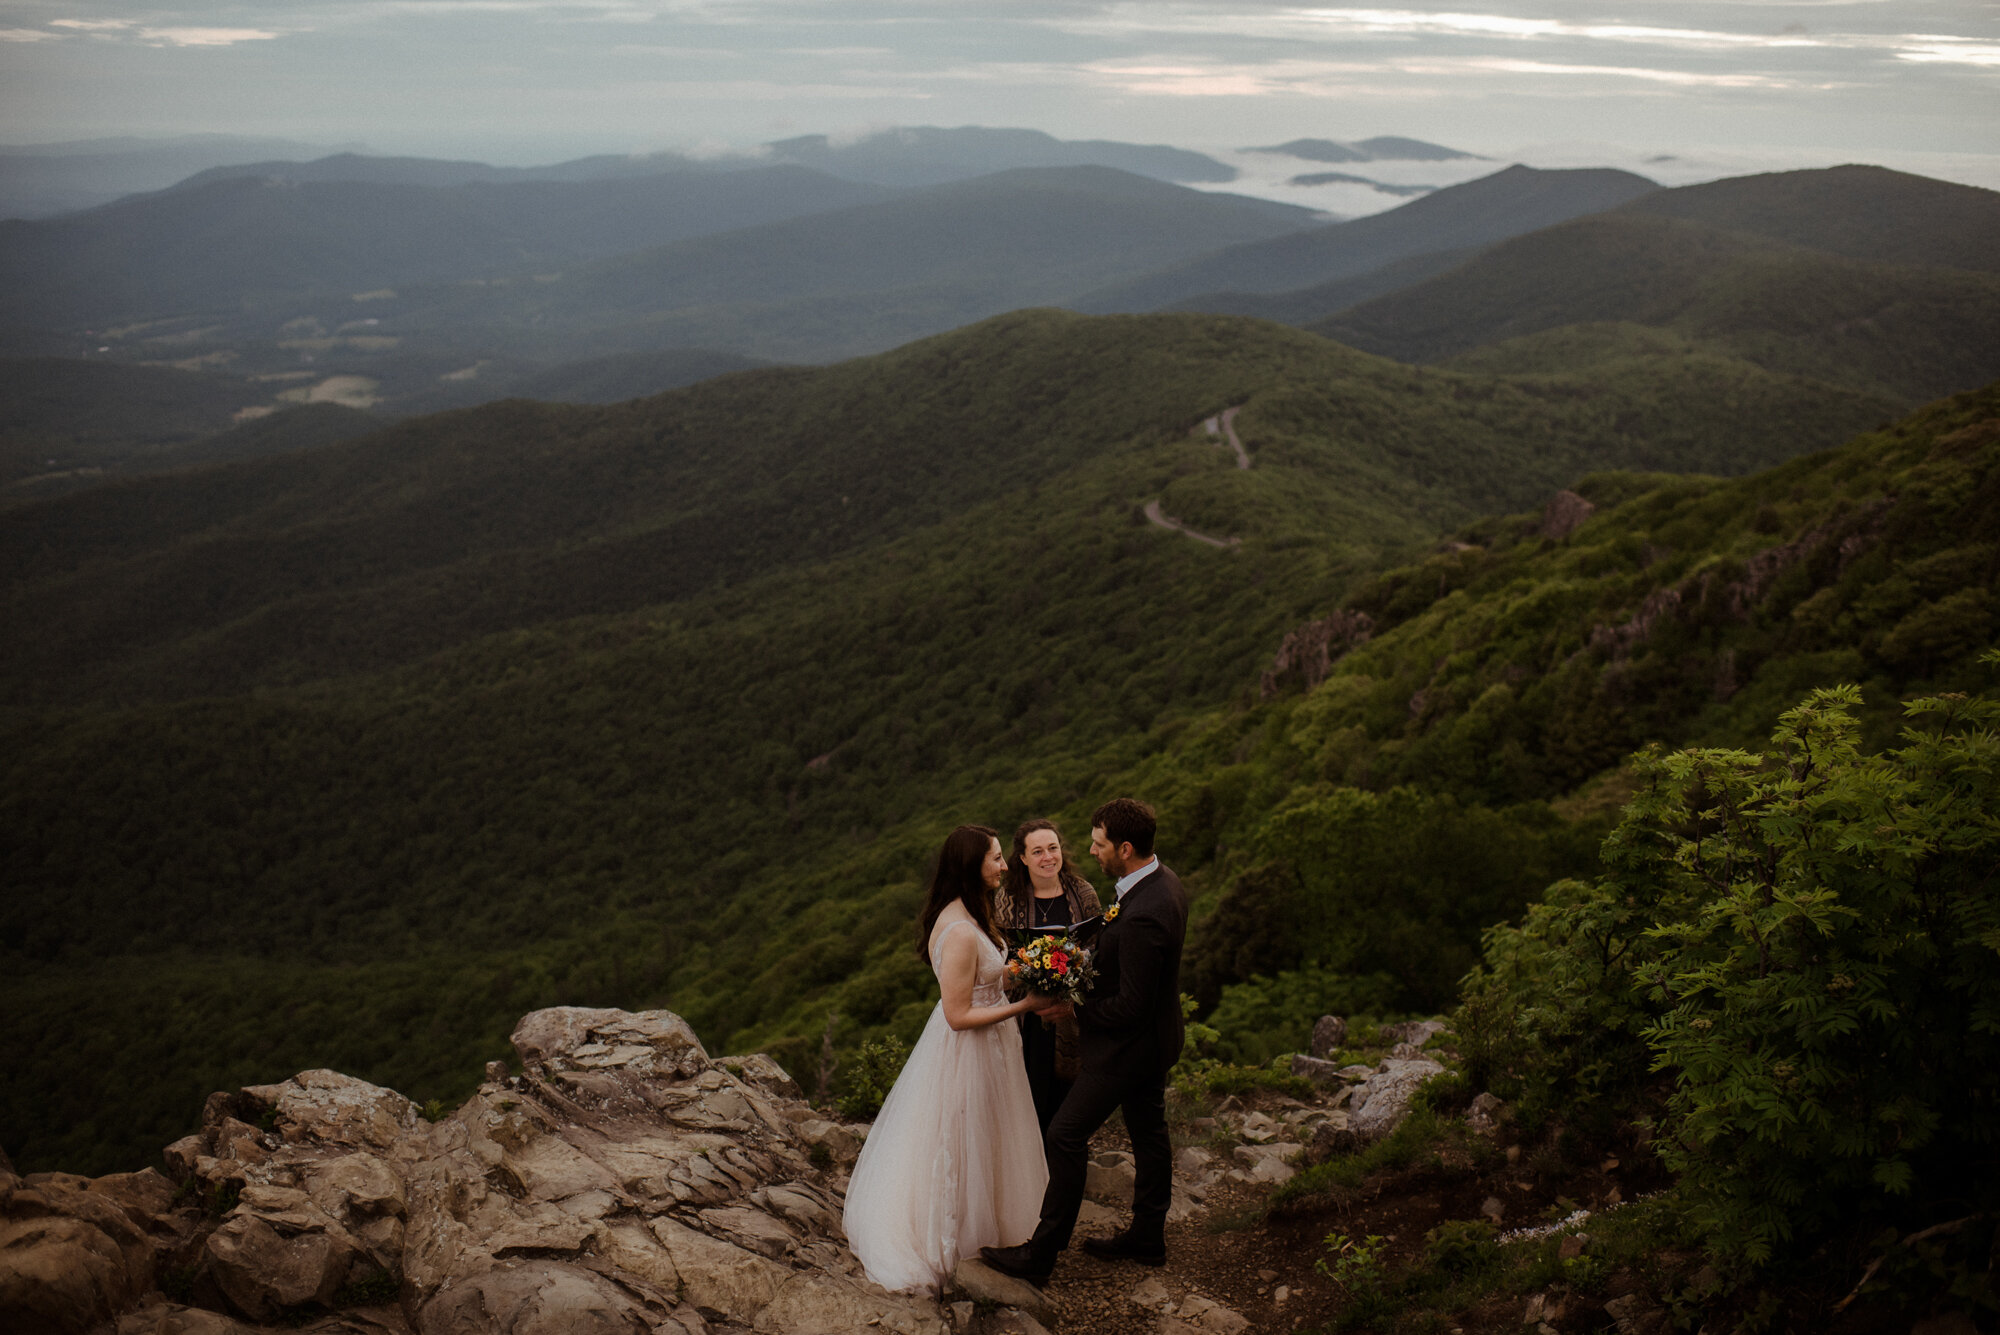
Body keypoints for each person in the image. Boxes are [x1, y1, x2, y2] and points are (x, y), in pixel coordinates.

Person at [842, 824, 1059, 1294]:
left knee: (991, 1137)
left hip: (993, 1045)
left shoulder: (971, 912)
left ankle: (999, 1232)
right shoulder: (961, 930)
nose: (1005, 866)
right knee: (966, 1140)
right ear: (971, 866)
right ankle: (961, 1240)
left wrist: (1028, 968)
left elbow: (985, 981)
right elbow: (959, 1015)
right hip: (970, 1051)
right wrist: (1027, 1005)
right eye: (997, 858)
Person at [980, 797, 1189, 1285]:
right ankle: (1147, 1236)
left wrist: (1074, 1006)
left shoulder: (1143, 912)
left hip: (1127, 1050)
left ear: (1126, 847)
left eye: (1099, 844)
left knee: (1064, 1135)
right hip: (1155, 1040)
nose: (1091, 852)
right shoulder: (1162, 882)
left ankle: (1041, 1255)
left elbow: (1131, 1005)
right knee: (1150, 1133)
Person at [993, 819, 1103, 1132]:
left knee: (1067, 1103)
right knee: (1029, 1098)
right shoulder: (1007, 899)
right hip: (1025, 1014)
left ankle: (1064, 1168)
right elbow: (999, 955)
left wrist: (1077, 969)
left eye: (1053, 848)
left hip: (1072, 1014)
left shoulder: (1082, 892)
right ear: (1023, 858)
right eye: (1037, 851)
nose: (1048, 857)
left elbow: (1097, 946)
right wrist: (1033, 973)